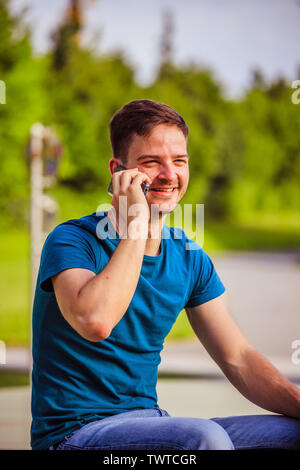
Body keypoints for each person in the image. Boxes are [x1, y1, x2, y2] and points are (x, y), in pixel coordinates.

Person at [30, 99, 300, 450]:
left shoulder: (189, 257)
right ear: (118, 171)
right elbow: (95, 321)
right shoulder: (72, 240)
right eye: (151, 162)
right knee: (206, 438)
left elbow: (239, 358)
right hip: (73, 436)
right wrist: (137, 225)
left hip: (151, 423)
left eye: (179, 161)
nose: (169, 175)